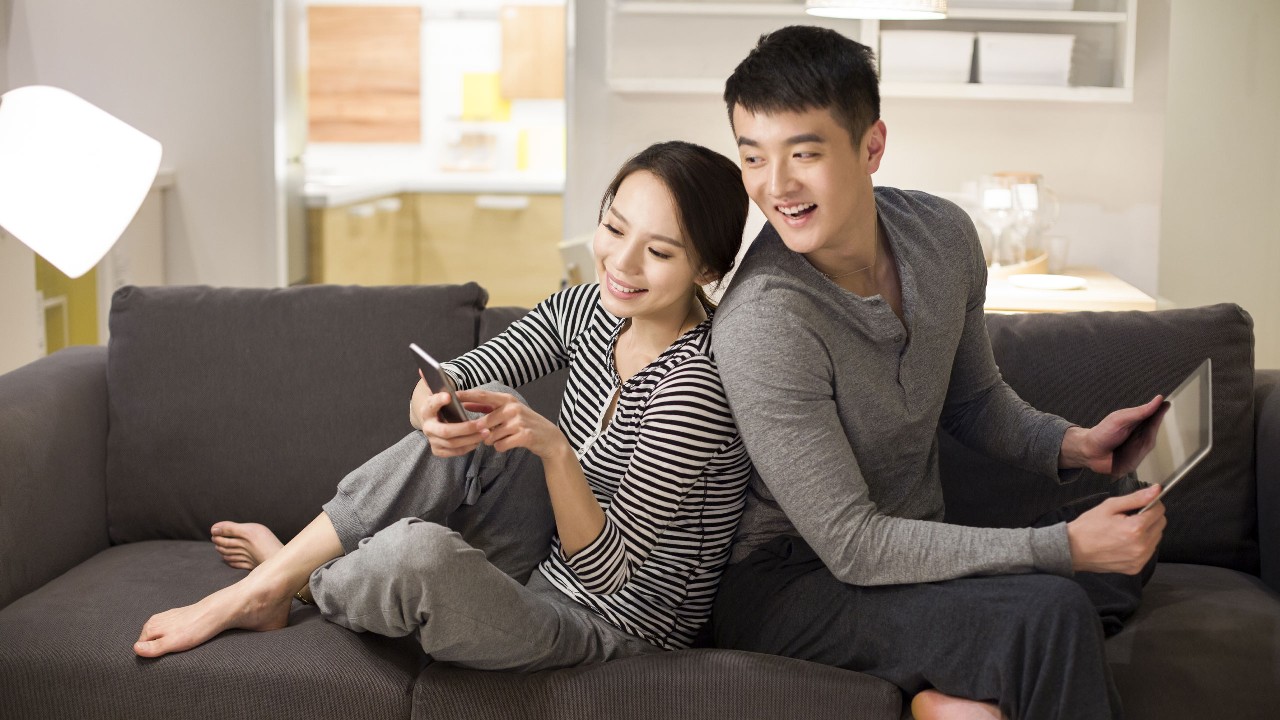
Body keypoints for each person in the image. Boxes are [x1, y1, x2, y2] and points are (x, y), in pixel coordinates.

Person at [133, 140, 754, 671]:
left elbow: (607, 581)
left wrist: (556, 450)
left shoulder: (695, 389)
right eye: (615, 228)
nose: (621, 261)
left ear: (706, 268)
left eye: (660, 251)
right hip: (545, 565)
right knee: (486, 405)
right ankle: (269, 584)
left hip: (618, 629)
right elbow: (456, 377)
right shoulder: (591, 310)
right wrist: (432, 410)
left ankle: (294, 577)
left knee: (419, 556)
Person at [708, 26, 1166, 720]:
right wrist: (1063, 550)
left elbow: (973, 400)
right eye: (753, 157)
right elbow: (854, 546)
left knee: (1135, 524)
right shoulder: (766, 322)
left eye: (804, 153)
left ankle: (960, 680)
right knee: (1050, 610)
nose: (777, 186)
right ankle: (979, 667)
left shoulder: (944, 236)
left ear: (871, 146)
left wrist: (1075, 445)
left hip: (908, 546)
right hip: (793, 582)